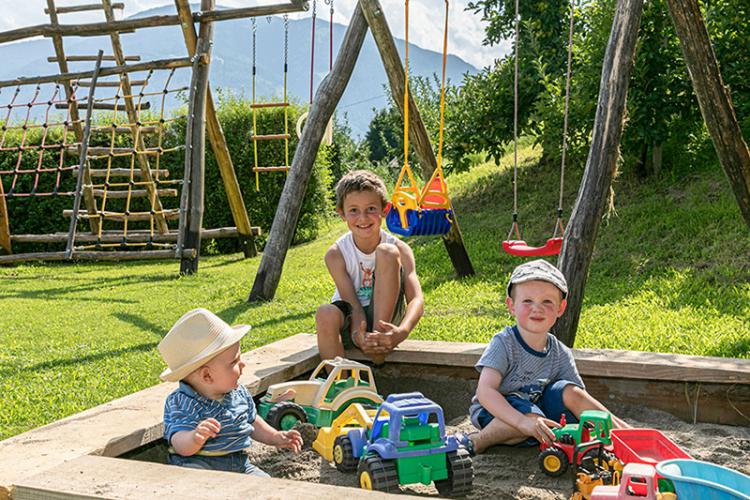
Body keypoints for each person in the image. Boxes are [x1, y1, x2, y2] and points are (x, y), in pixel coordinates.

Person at [460, 259, 629, 455]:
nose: (537, 308)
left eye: (547, 301)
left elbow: (576, 398)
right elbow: (485, 392)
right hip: (499, 413)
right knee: (524, 414)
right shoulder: (504, 343)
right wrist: (523, 421)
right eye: (527, 301)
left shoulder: (560, 352)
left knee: (569, 391)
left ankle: (625, 434)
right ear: (511, 305)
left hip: (538, 413)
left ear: (561, 308)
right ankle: (478, 441)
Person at [158, 308, 303, 475]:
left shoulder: (239, 393)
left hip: (239, 463)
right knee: (195, 483)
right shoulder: (183, 401)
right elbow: (178, 442)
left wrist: (274, 437)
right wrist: (194, 437)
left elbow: (252, 421)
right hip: (197, 463)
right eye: (234, 362)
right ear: (207, 375)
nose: (243, 365)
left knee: (266, 484)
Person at [316, 169, 425, 365]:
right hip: (351, 315)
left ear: (385, 209)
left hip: (387, 318)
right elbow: (353, 305)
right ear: (342, 213)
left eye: (371, 209)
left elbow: (416, 298)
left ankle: (378, 344)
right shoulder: (336, 254)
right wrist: (358, 333)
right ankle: (340, 385)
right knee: (325, 312)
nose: (363, 218)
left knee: (387, 252)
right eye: (354, 210)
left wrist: (402, 332)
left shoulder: (400, 248)